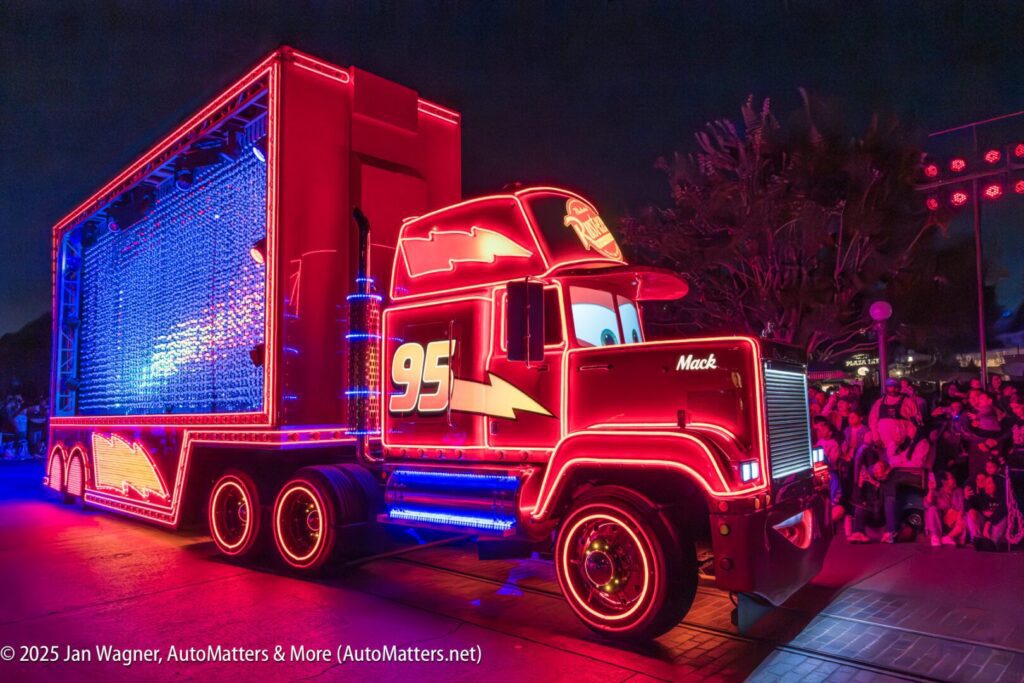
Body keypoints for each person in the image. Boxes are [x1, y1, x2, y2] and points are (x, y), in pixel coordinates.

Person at [869, 378, 921, 462]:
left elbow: (915, 423)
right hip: (883, 445)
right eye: (890, 387)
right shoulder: (879, 403)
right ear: (886, 388)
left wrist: (906, 442)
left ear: (899, 388)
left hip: (901, 446)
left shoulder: (908, 403)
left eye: (895, 387)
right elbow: (872, 421)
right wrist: (876, 438)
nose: (893, 389)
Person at [848, 457, 891, 543]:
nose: (875, 471)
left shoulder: (888, 482)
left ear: (885, 471)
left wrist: (873, 482)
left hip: (881, 515)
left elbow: (886, 494)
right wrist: (860, 484)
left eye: (878, 468)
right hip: (871, 514)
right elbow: (857, 499)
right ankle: (859, 533)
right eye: (874, 468)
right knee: (859, 508)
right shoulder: (869, 482)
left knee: (884, 505)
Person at [966, 472, 1008, 547]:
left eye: (989, 483)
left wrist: (989, 522)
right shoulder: (983, 495)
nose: (985, 485)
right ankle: (977, 539)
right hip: (985, 528)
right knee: (971, 512)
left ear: (996, 485)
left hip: (997, 528)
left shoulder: (1004, 497)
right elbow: (970, 506)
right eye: (986, 483)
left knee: (1004, 517)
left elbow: (1002, 511)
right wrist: (966, 498)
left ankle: (993, 542)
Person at [924, 471, 966, 546]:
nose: (954, 480)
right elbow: (927, 504)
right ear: (944, 481)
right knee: (932, 509)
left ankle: (947, 537)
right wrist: (930, 490)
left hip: (953, 524)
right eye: (951, 478)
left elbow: (961, 508)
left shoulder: (958, 491)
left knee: (963, 518)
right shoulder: (938, 492)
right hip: (940, 524)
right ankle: (935, 537)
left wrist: (959, 520)